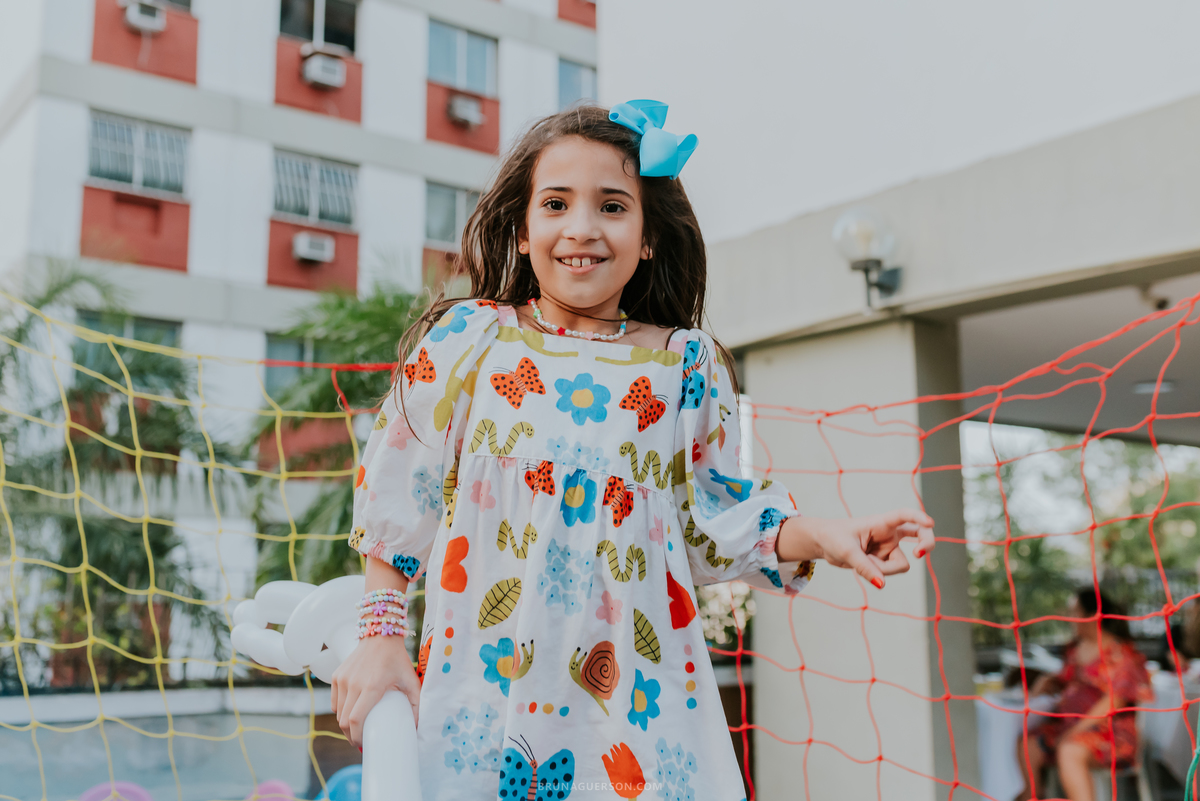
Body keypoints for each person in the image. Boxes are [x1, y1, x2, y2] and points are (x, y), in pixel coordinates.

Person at [330, 101, 936, 798]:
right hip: (482, 695)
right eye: (556, 203)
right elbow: (400, 489)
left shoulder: (684, 367)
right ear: (523, 232)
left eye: (613, 206)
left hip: (640, 715)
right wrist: (380, 634)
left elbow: (709, 524)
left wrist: (825, 535)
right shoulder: (473, 341)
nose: (581, 228)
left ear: (647, 237)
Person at [1017, 589, 1153, 801]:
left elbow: (1114, 700)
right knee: (1028, 744)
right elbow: (1066, 683)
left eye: (1074, 612)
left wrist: (1076, 730)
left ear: (1091, 616)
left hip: (1109, 734)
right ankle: (1032, 796)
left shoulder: (1121, 654)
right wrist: (1046, 682)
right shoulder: (1074, 650)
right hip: (1069, 728)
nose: (1068, 618)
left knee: (1069, 750)